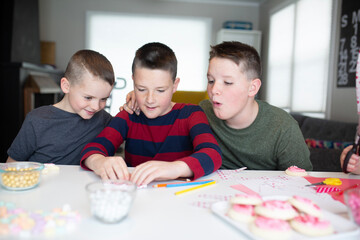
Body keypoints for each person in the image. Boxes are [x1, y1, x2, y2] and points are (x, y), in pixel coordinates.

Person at [124, 41, 312, 171]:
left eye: (227, 83)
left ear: (252, 87)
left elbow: (302, 183)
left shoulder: (283, 127)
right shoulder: (203, 111)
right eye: (211, 80)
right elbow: (169, 109)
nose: (214, 91)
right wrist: (142, 96)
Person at [80, 42, 222, 186]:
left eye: (160, 91)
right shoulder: (129, 115)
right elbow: (92, 149)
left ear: (175, 85)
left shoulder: (191, 114)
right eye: (141, 89)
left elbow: (212, 154)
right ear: (133, 81)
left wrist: (175, 168)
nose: (150, 100)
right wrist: (100, 162)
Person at [6, 50, 114, 165]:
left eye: (103, 99)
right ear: (66, 86)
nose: (96, 107)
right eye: (88, 97)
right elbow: (11, 165)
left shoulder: (104, 119)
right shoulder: (37, 120)